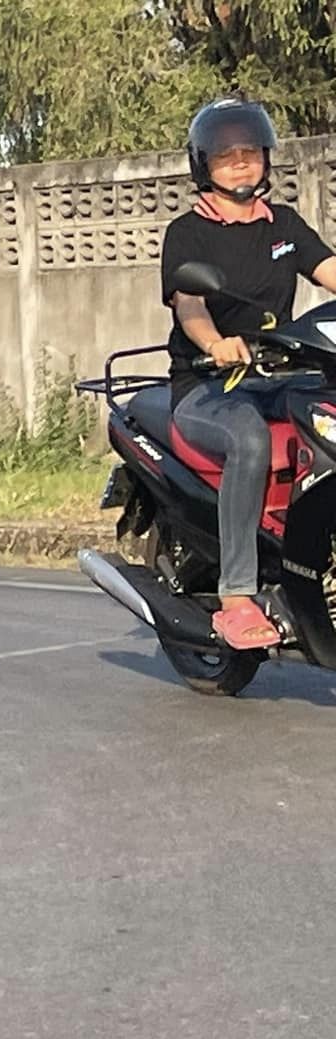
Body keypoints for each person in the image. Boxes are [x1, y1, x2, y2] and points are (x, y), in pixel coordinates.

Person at [162, 97, 336, 650]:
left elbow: (328, 268)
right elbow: (190, 304)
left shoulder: (283, 224)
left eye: (250, 152)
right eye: (225, 155)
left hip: (279, 375)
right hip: (209, 385)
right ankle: (236, 594)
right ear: (203, 165)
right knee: (251, 440)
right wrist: (216, 344)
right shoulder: (188, 233)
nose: (240, 163)